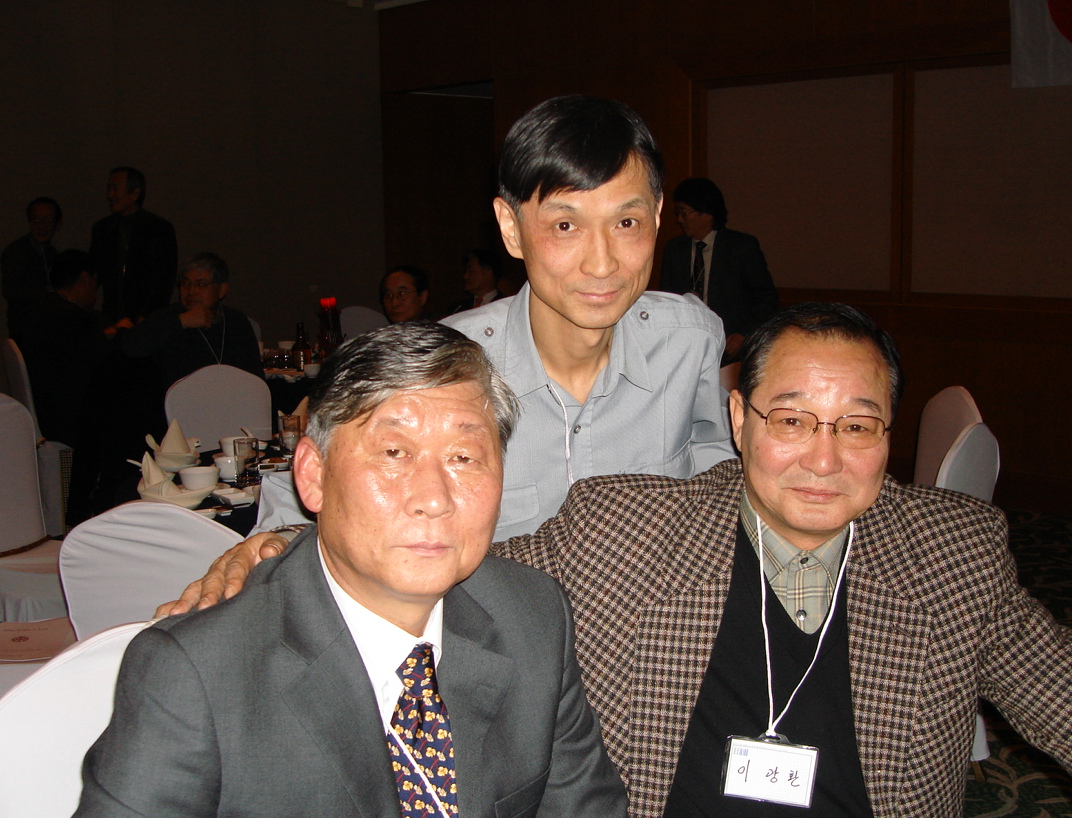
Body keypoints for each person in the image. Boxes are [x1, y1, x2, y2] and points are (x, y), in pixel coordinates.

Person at [179, 304, 1072, 818]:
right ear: (739, 419)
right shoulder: (626, 528)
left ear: (888, 436)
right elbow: (442, 565)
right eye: (791, 418)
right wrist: (287, 551)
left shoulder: (949, 555)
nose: (823, 456)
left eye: (858, 425)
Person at [25, 323, 660, 818]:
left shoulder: (531, 620)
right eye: (394, 453)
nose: (434, 498)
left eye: (465, 458)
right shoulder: (198, 675)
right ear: (313, 475)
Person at [255, 97, 735, 542]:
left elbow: (720, 476)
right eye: (565, 225)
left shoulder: (688, 341)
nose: (602, 263)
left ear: (656, 216)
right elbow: (303, 495)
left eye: (626, 223)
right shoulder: (441, 365)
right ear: (510, 228)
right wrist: (270, 545)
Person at [9, 249, 124, 446]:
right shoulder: (71, 318)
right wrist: (123, 333)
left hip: (45, 411)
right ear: (85, 279)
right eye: (95, 284)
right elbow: (105, 358)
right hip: (67, 423)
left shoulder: (39, 311)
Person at [658, 177, 779, 361]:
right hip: (685, 348)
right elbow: (667, 299)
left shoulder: (741, 247)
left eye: (684, 212)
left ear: (706, 213)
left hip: (730, 348)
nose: (679, 220)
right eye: (677, 213)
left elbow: (766, 299)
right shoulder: (675, 249)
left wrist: (743, 334)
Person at [120, 252, 263, 390]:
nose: (191, 291)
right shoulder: (168, 317)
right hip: (177, 402)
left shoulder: (236, 321)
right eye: (185, 283)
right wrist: (181, 322)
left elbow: (255, 377)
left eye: (201, 284)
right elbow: (130, 346)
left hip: (231, 399)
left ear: (221, 289)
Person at [89, 166, 178, 323]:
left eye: (115, 188)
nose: (109, 195)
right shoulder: (102, 229)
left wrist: (146, 315)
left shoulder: (158, 228)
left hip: (149, 317)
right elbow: (94, 274)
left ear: (135, 193)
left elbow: (165, 278)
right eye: (108, 188)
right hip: (112, 316)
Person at [1, 196, 61, 330]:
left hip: (49, 327)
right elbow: (11, 291)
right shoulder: (16, 252)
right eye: (36, 220)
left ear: (58, 224)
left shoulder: (54, 255)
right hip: (25, 327)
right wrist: (49, 294)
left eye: (48, 220)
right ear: (29, 222)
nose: (42, 226)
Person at [447, 249, 504, 314]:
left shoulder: (506, 306)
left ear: (488, 274)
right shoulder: (457, 309)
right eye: (466, 271)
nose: (465, 276)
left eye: (471, 271)